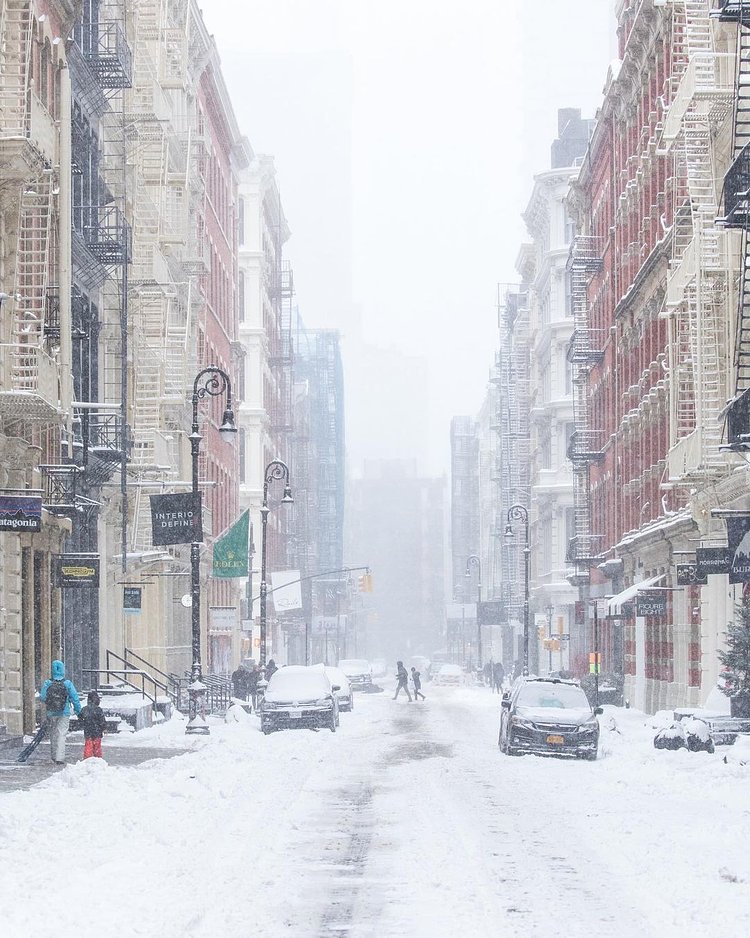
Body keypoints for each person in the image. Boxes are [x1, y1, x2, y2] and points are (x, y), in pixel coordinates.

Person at [40, 659, 81, 765]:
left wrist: (51, 702)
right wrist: (78, 711)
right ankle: (60, 757)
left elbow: (43, 697)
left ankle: (53, 755)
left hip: (51, 712)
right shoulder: (67, 683)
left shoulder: (48, 683)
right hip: (64, 712)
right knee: (62, 734)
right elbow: (75, 698)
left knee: (53, 734)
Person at [79, 690, 108, 759]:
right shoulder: (98, 710)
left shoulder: (84, 709)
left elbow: (80, 718)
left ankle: (88, 759)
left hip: (88, 731)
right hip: (97, 731)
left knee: (88, 746)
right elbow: (102, 720)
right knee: (97, 747)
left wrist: (83, 723)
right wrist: (104, 728)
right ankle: (97, 759)